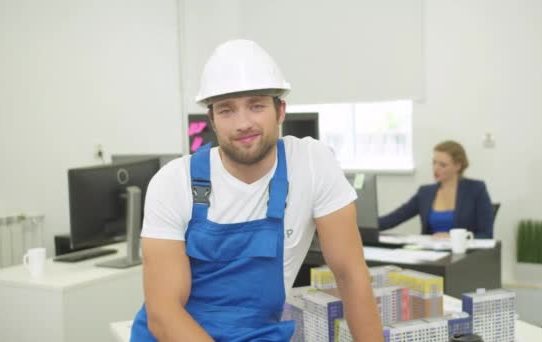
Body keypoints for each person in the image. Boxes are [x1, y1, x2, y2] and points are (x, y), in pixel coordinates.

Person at [129, 40, 383, 341]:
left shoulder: (312, 166)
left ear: (281, 111)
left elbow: (350, 275)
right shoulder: (173, 182)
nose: (243, 123)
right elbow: (164, 314)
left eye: (256, 105)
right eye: (226, 110)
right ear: (211, 120)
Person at [379, 140, 494, 238]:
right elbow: (394, 218)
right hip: (431, 254)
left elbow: (486, 234)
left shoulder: (476, 190)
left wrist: (453, 238)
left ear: (457, 166)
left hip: (465, 256)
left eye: (442, 165)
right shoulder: (425, 193)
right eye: (434, 163)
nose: (436, 169)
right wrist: (363, 225)